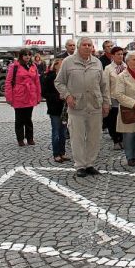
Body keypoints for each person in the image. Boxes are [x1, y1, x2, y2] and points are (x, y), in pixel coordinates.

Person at [55, 37, 110, 177]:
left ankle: (90, 163)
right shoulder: (68, 62)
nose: (87, 47)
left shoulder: (97, 62)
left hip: (95, 105)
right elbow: (59, 82)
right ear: (79, 47)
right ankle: (80, 165)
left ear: (92, 47)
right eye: (84, 45)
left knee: (94, 136)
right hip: (76, 105)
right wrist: (67, 96)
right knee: (77, 137)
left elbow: (104, 85)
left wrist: (106, 103)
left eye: (89, 45)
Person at [5, 48, 41, 146]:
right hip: (19, 94)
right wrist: (9, 97)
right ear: (21, 56)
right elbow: (8, 82)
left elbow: (37, 82)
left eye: (29, 55)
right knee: (19, 119)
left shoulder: (33, 66)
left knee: (28, 118)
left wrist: (38, 96)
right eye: (25, 55)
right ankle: (20, 139)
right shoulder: (14, 66)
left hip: (30, 94)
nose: (27, 57)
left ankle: (30, 138)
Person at [42, 58, 69, 162]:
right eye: (61, 64)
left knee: (63, 132)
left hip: (64, 108)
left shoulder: (66, 76)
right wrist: (58, 97)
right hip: (54, 108)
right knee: (56, 132)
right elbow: (44, 93)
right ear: (55, 65)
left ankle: (62, 152)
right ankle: (56, 153)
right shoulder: (49, 77)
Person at [103, 46, 127, 150]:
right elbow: (106, 85)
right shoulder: (108, 68)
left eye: (122, 54)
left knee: (123, 119)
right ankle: (116, 140)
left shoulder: (126, 67)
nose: (120, 56)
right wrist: (107, 101)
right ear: (113, 56)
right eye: (118, 54)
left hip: (124, 98)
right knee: (113, 121)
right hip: (113, 98)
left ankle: (122, 139)